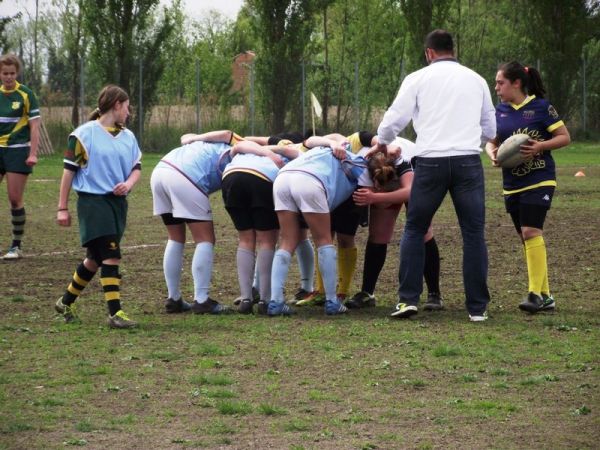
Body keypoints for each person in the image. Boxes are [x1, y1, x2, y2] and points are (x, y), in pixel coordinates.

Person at [376, 29, 496, 322]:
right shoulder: (476, 79)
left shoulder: (417, 79)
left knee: (415, 228)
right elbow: (491, 129)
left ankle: (408, 300)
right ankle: (477, 308)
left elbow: (394, 119)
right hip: (467, 161)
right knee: (472, 233)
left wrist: (382, 141)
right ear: (453, 50)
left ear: (429, 53)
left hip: (430, 163)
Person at [267, 136, 402, 316]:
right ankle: (332, 301)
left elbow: (311, 140)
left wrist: (331, 143)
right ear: (378, 182)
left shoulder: (338, 150)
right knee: (324, 240)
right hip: (310, 182)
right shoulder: (364, 172)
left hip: (283, 177)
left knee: (287, 241)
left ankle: (275, 302)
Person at [485, 61, 570, 314]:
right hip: (512, 183)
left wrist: (540, 147)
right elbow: (491, 142)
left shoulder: (541, 107)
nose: (496, 88)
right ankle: (545, 295)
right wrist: (493, 154)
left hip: (540, 178)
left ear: (516, 83)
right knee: (527, 237)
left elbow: (564, 137)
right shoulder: (499, 111)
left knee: (531, 231)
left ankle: (534, 295)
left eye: (500, 83)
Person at [55, 85, 141, 328]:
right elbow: (68, 173)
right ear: (116, 105)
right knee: (111, 255)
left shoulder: (128, 137)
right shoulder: (83, 135)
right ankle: (116, 314)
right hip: (93, 204)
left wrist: (128, 184)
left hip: (117, 205)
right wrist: (62, 207)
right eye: (126, 106)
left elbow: (137, 168)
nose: (128, 111)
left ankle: (65, 302)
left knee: (94, 259)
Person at [150, 130, 242, 315]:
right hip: (185, 176)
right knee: (205, 239)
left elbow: (188, 136)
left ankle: (173, 298)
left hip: (160, 171)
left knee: (175, 237)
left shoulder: (205, 144)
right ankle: (202, 300)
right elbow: (227, 133)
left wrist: (195, 137)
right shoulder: (236, 149)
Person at [348, 136, 444, 311]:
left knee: (423, 231)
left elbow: (410, 192)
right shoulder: (364, 168)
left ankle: (434, 294)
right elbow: (370, 199)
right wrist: (376, 197)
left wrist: (377, 196)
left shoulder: (404, 162)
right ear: (374, 181)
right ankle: (367, 292)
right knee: (378, 235)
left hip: (418, 176)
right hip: (384, 173)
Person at [221, 140, 299, 314]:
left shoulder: (249, 148)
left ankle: (246, 298)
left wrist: (266, 149)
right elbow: (297, 153)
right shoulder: (289, 151)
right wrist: (278, 150)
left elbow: (237, 147)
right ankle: (265, 299)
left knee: (245, 239)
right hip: (263, 179)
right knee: (267, 241)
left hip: (230, 178)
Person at [0, 53, 40, 259]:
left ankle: (16, 246)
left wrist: (33, 153)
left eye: (12, 73)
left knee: (15, 199)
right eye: (5, 73)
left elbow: (35, 126)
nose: (8, 77)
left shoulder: (26, 94)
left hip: (17, 150)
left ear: (17, 73)